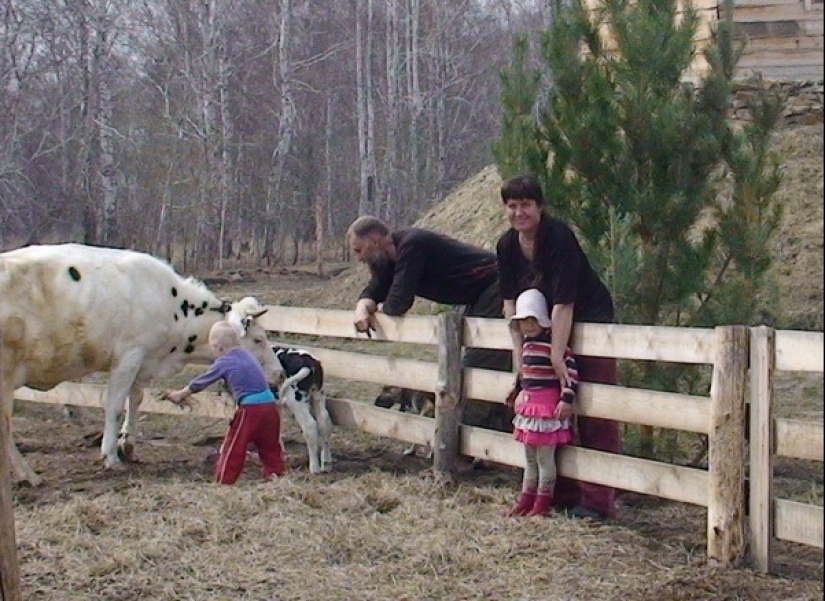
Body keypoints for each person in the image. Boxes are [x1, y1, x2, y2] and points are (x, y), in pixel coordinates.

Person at [496, 173, 620, 520]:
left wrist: (556, 356)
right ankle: (562, 492)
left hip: (587, 318)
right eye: (512, 205)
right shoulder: (507, 246)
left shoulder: (558, 237)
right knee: (547, 410)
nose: (519, 212)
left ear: (540, 207)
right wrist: (519, 355)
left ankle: (599, 500)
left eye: (526, 205)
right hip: (542, 328)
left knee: (594, 408)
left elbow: (564, 302)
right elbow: (510, 304)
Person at [347, 215, 512, 397]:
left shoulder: (412, 245)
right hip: (477, 294)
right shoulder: (389, 260)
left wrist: (377, 309)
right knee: (476, 364)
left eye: (358, 250)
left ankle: (475, 420)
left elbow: (398, 303)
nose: (359, 258)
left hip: (496, 284)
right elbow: (376, 288)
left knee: (479, 366)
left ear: (374, 242)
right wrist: (362, 307)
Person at [163, 321, 286, 485]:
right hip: (270, 406)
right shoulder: (247, 355)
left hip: (251, 410)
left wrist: (181, 393)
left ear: (218, 347)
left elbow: (203, 380)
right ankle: (276, 477)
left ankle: (224, 482)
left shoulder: (225, 360)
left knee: (234, 446)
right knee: (270, 447)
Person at [504, 288, 577, 517]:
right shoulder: (525, 347)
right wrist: (516, 389)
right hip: (528, 408)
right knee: (529, 458)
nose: (528, 325)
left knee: (545, 458)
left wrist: (566, 398)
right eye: (523, 320)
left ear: (543, 320)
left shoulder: (555, 348)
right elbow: (524, 373)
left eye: (532, 319)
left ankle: (543, 501)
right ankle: (526, 498)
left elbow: (570, 374)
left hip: (547, 410)